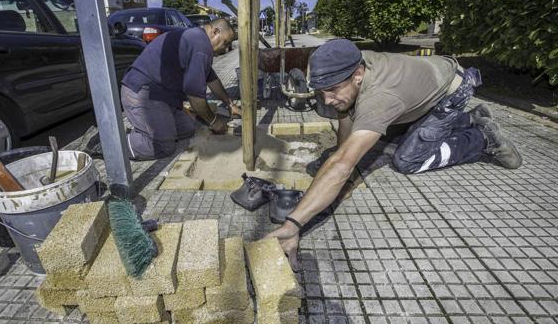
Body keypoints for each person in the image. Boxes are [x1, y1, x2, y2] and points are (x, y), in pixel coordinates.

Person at [266, 39, 522, 269]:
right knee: (378, 133)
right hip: (428, 79)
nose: (328, 99)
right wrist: (343, 157)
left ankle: (482, 137)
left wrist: (293, 224)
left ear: (357, 74)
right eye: (322, 92)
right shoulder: (350, 64)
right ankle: (466, 119)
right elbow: (345, 129)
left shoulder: (380, 98)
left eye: (333, 90)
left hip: (453, 88)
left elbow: (343, 163)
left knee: (408, 159)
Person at [120, 18, 240, 160]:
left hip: (163, 96)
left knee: (188, 128)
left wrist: (230, 104)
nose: (225, 48)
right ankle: (113, 144)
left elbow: (212, 79)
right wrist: (214, 122)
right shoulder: (201, 47)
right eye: (225, 42)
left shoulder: (198, 39)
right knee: (163, 147)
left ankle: (150, 129)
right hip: (143, 92)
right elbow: (195, 97)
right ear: (215, 32)